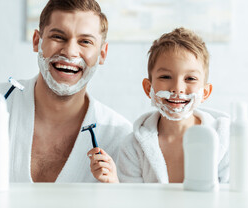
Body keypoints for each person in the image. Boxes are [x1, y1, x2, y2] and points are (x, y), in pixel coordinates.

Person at [0, 0, 132, 183]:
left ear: (102, 54)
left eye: (85, 41)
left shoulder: (121, 137)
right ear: (37, 41)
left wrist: (117, 195)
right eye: (58, 37)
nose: (70, 52)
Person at [88, 27, 229, 183]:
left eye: (190, 79)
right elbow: (132, 200)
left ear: (206, 92)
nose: (177, 88)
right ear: (149, 88)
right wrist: (114, 182)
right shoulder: (133, 147)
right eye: (166, 76)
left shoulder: (223, 140)